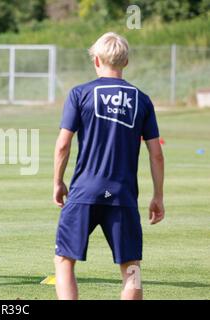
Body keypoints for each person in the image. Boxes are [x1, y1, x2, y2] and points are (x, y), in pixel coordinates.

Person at [52, 32, 165, 300]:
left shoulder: (80, 94)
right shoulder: (143, 99)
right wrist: (158, 195)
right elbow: (156, 154)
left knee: (64, 260)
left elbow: (62, 145)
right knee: (131, 268)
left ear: (96, 59)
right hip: (123, 195)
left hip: (84, 193)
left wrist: (58, 181)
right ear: (126, 62)